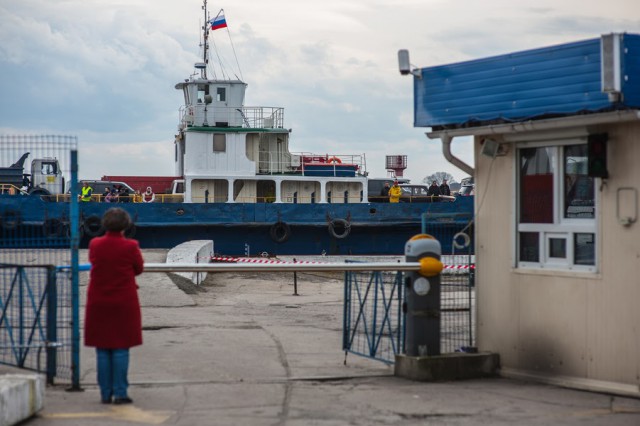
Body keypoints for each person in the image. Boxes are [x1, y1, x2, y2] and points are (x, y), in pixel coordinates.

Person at [84, 208, 144, 405]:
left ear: (105, 224)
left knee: (102, 349)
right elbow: (138, 269)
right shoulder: (131, 246)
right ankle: (120, 393)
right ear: (126, 225)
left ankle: (105, 393)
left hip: (98, 301)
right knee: (120, 348)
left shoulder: (95, 244)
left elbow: (95, 263)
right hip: (124, 302)